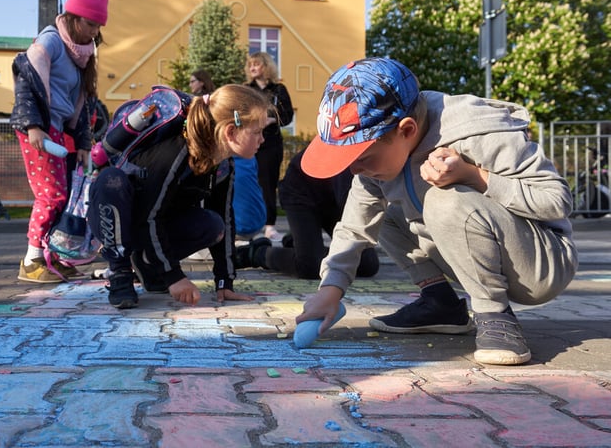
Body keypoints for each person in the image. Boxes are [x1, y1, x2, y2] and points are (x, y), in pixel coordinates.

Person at [297, 57, 578, 366]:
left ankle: (495, 317)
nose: (354, 168)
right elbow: (353, 229)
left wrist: (475, 177)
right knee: (387, 216)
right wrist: (331, 289)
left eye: (362, 156)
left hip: (541, 263)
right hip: (482, 254)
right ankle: (441, 304)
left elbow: (556, 201)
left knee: (444, 200)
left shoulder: (474, 132)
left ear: (407, 130)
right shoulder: (375, 165)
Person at [87, 84, 270, 309]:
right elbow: (148, 216)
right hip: (120, 219)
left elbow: (226, 219)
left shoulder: (224, 166)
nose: (262, 139)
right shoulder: (175, 151)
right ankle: (119, 271)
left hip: (154, 224)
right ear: (230, 132)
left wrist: (224, 281)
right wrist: (174, 276)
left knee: (214, 225)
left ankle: (149, 265)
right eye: (257, 132)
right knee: (111, 180)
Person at [10, 0, 113, 283]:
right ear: (74, 16)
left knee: (65, 194)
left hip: (57, 131)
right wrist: (33, 126)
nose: (95, 32)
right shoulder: (52, 41)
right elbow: (26, 79)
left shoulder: (80, 56)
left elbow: (80, 104)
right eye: (91, 24)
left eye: (99, 26)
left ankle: (53, 255)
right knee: (52, 194)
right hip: (39, 130)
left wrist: (83, 144)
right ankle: (32, 261)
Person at [234, 148, 380, 279]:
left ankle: (297, 244)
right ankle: (258, 253)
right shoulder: (359, 150)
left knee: (368, 264)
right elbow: (357, 209)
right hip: (301, 190)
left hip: (332, 197)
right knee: (310, 266)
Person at [244, 51, 293, 242]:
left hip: (271, 144)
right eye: (250, 65)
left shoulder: (279, 90)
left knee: (267, 184)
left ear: (266, 66)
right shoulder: (246, 90)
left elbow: (288, 115)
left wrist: (270, 119)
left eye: (256, 64)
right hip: (249, 142)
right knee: (248, 183)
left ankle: (269, 226)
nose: (252, 68)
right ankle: (249, 225)